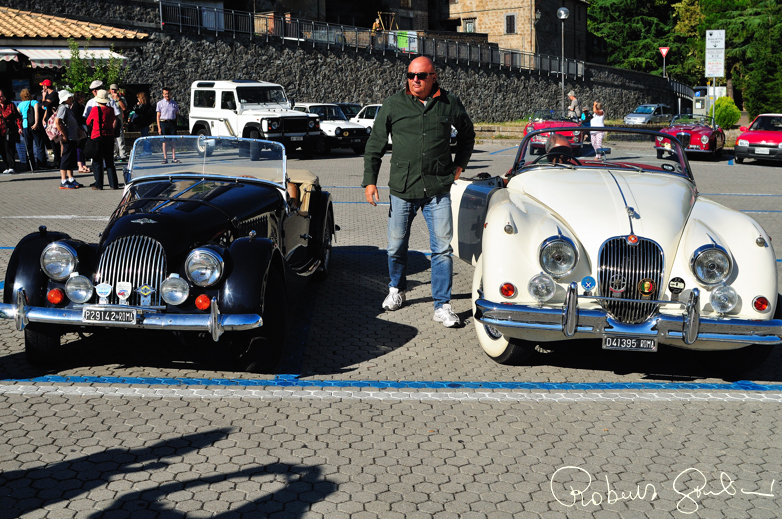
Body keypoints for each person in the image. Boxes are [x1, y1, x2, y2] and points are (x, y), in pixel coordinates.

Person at [363, 56, 475, 328]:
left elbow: (467, 133)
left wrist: (460, 164)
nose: (415, 80)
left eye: (422, 75)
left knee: (442, 250)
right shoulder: (393, 104)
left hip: (437, 189)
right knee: (395, 246)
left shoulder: (450, 103)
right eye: (412, 74)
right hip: (402, 189)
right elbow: (375, 144)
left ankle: (442, 305)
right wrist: (370, 181)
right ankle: (396, 289)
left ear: (433, 77)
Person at [85, 90, 119, 190]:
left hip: (97, 136)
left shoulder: (95, 109)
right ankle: (114, 184)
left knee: (97, 161)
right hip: (109, 136)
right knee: (109, 161)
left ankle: (99, 184)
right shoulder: (111, 110)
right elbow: (114, 120)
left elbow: (88, 122)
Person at [54, 90, 82, 189]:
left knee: (70, 159)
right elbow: (58, 121)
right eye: (69, 98)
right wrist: (64, 134)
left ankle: (70, 179)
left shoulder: (67, 108)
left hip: (72, 136)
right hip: (68, 137)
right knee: (66, 158)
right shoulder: (62, 108)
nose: (71, 99)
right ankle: (63, 180)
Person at [17, 88, 47, 171]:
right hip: (34, 125)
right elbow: (36, 113)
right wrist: (36, 123)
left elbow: (17, 116)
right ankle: (41, 164)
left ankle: (30, 165)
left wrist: (20, 127)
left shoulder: (20, 105)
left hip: (25, 126)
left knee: (28, 146)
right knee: (39, 145)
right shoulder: (34, 102)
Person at [0, 89, 23, 174]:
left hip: (9, 130)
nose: (0, 98)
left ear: (5, 97)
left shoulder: (11, 105)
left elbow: (17, 117)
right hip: (0, 131)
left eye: (1, 96)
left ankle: (11, 166)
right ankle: (6, 166)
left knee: (9, 148)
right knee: (2, 149)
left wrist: (20, 127)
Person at [156, 87, 180, 163]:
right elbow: (158, 116)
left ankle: (174, 158)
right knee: (164, 141)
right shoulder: (160, 103)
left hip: (172, 123)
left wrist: (176, 124)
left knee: (173, 141)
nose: (167, 95)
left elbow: (176, 114)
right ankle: (165, 158)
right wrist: (159, 127)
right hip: (164, 123)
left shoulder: (174, 103)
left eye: (168, 93)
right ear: (163, 94)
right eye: (165, 94)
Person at [71, 92, 90, 173]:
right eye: (82, 97)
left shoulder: (81, 106)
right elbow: (76, 118)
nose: (83, 99)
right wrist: (79, 127)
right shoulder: (75, 106)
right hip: (79, 127)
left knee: (83, 146)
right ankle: (80, 165)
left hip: (83, 126)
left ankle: (83, 163)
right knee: (79, 146)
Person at [109, 84, 127, 162]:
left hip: (118, 120)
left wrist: (118, 98)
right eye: (112, 89)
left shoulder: (121, 98)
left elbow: (124, 108)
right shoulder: (107, 98)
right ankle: (113, 154)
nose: (113, 91)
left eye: (115, 89)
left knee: (120, 138)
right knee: (112, 139)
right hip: (110, 121)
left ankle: (123, 155)